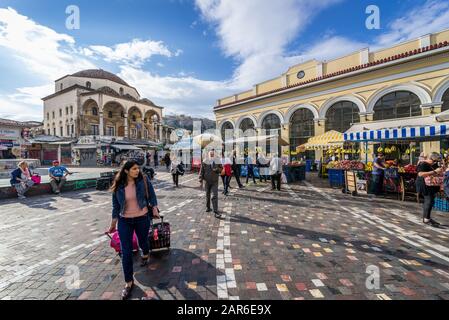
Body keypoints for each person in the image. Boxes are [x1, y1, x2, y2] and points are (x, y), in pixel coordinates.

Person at [107, 160, 160, 300]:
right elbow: (115, 206)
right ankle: (128, 282)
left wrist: (154, 207)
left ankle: (146, 253)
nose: (137, 171)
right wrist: (113, 223)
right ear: (126, 171)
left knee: (143, 241)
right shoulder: (118, 184)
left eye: (138, 168)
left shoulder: (143, 179)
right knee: (126, 251)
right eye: (134, 169)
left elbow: (152, 195)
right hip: (124, 221)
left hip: (142, 218)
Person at [416, 152, 443, 228]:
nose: (437, 162)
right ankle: (426, 219)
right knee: (429, 200)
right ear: (433, 159)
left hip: (429, 185)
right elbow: (420, 174)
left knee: (429, 201)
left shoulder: (429, 165)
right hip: (424, 185)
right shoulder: (423, 164)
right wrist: (434, 171)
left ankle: (426, 218)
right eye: (437, 160)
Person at [199, 150, 223, 218]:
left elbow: (221, 169)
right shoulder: (204, 161)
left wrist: (217, 169)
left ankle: (216, 211)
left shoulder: (217, 161)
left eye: (213, 154)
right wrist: (200, 180)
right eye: (211, 154)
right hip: (207, 181)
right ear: (208, 155)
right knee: (207, 195)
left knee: (214, 196)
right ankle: (208, 207)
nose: (212, 155)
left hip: (214, 181)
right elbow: (201, 171)